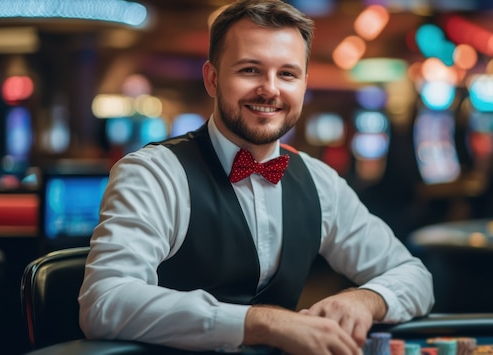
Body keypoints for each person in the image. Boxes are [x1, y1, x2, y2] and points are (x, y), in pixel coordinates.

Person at [78, 0, 434, 354]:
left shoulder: (318, 181)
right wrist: (262, 323)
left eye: (288, 74)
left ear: (304, 84)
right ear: (213, 79)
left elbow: (415, 277)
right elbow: (105, 301)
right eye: (250, 70)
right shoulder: (154, 173)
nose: (270, 89)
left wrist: (364, 300)